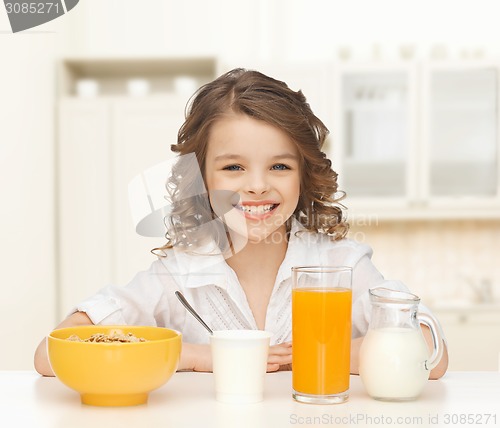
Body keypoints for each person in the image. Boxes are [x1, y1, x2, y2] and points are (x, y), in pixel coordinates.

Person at [34, 68, 448, 377]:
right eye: (233, 167)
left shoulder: (342, 265)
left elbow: (432, 354)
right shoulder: (178, 275)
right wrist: (199, 357)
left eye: (279, 166)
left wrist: (326, 352)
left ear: (303, 174)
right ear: (202, 177)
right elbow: (52, 353)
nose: (256, 186)